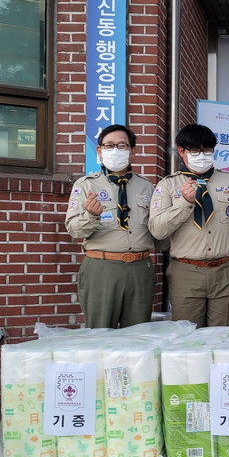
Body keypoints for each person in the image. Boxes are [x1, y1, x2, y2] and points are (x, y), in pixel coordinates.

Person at [148, 123, 229, 327]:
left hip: (228, 270)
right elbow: (157, 230)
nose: (202, 156)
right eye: (195, 151)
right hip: (186, 271)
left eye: (207, 150)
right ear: (182, 151)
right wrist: (184, 203)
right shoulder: (168, 185)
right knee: (188, 336)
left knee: (224, 335)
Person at [65, 124, 157, 328]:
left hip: (140, 267)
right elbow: (74, 230)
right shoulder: (86, 185)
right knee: (100, 332)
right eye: (109, 145)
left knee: (138, 334)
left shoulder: (147, 186)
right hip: (102, 267)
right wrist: (91, 215)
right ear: (99, 151)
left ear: (132, 151)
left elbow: (157, 229)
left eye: (122, 145)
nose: (115, 150)